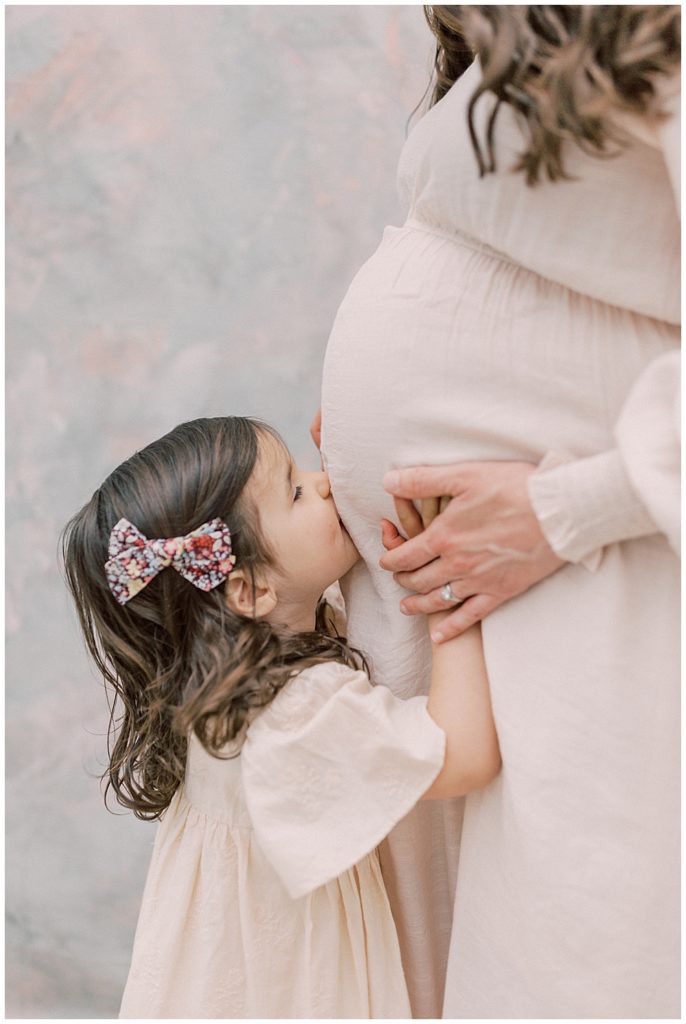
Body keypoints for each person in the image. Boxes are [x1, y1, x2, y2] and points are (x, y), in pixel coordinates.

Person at [320, 5, 680, 1018]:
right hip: (468, 574)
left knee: (571, 949)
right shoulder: (534, 36)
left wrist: (561, 510)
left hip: (583, 560)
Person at [61, 415, 500, 1019]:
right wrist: (451, 588)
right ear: (248, 592)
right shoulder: (296, 710)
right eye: (296, 489)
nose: (324, 483)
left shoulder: (216, 691)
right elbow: (464, 757)